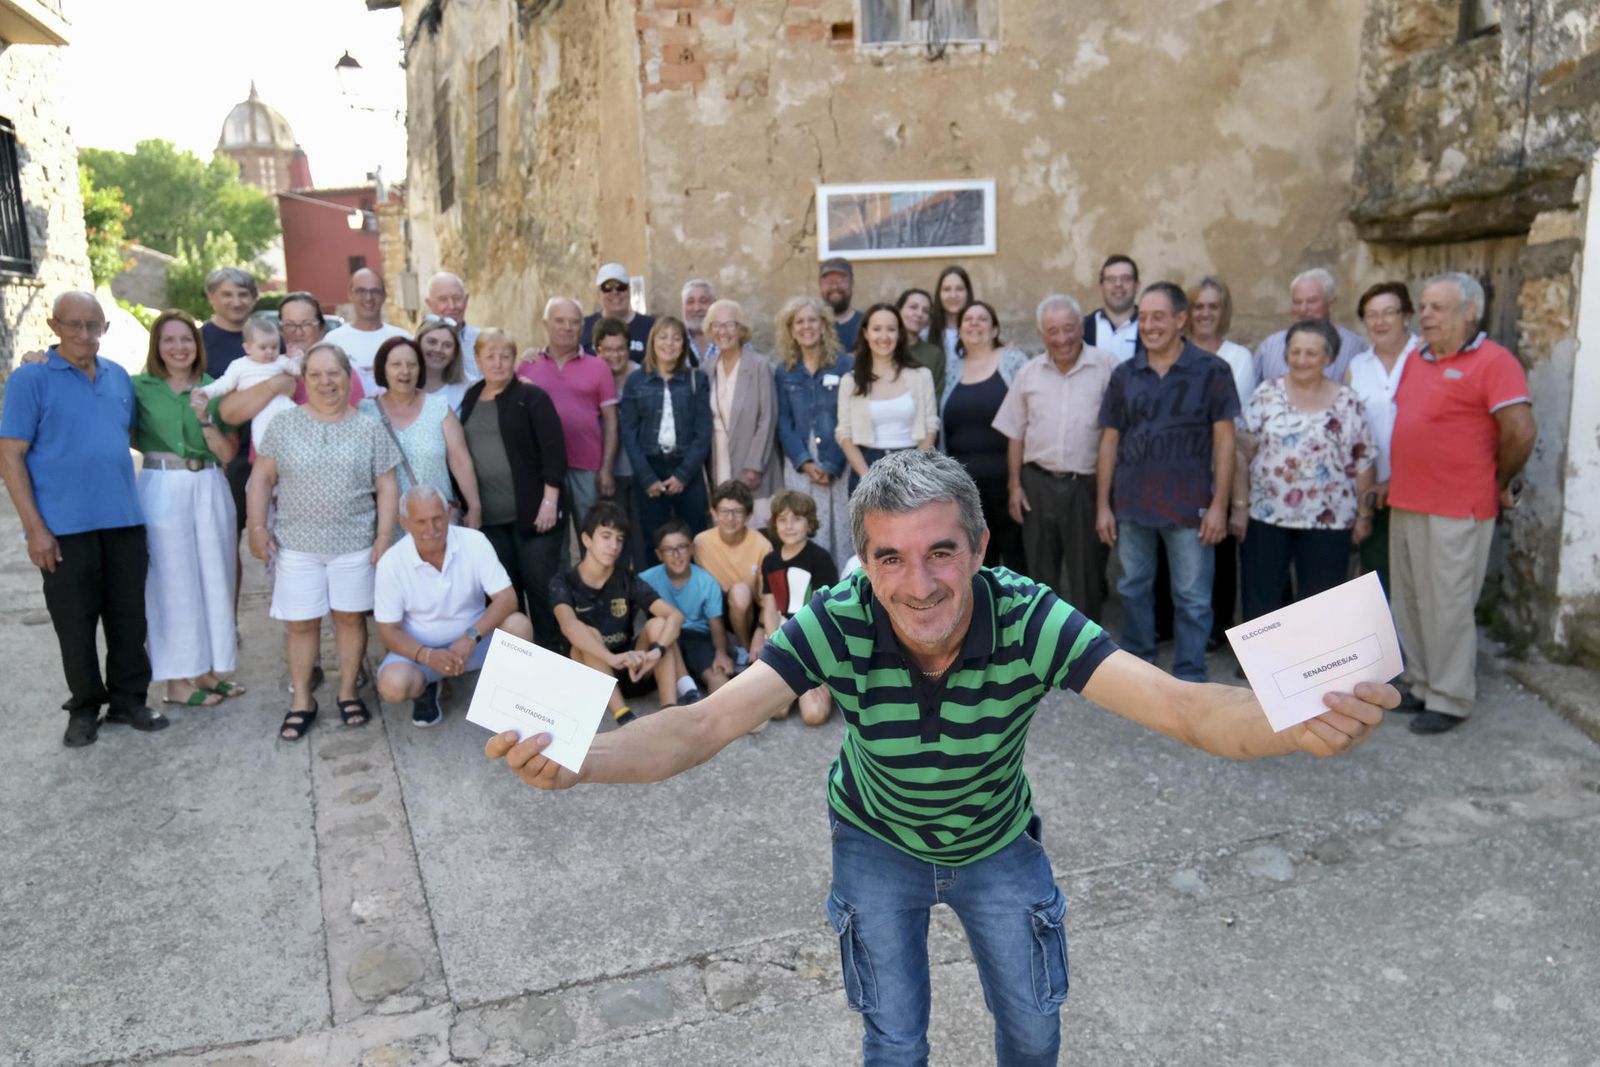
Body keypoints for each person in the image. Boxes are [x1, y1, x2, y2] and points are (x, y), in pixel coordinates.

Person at [485, 448, 1397, 1066]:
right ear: (865, 561)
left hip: (997, 840)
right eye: (889, 558)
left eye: (940, 552)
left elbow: (1186, 708)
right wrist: (583, 760)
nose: (917, 584)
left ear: (982, 547)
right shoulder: (840, 619)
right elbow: (703, 724)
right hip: (874, 841)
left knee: (1035, 1031)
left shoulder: (1027, 615)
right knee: (894, 1038)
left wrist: (1296, 718)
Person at [0, 292, 163, 747]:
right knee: (75, 625)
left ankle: (130, 700)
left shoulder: (118, 379)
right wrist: (35, 529)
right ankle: (85, 708)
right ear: (54, 326)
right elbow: (10, 456)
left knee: (130, 619)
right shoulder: (29, 380)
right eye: (74, 325)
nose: (84, 335)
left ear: (105, 328)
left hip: (124, 520)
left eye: (94, 325)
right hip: (63, 529)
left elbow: (131, 434)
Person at [1387, 272, 1536, 735]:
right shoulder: (1416, 357)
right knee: (1410, 599)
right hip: (1409, 498)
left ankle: (1449, 697)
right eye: (1424, 306)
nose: (1425, 315)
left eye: (1437, 308)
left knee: (1447, 603)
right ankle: (1418, 681)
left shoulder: (1495, 361)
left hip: (1459, 505)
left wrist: (1500, 480)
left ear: (1469, 312)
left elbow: (1521, 431)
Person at [246, 343, 401, 741]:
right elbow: (261, 479)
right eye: (315, 374)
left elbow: (387, 485)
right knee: (301, 625)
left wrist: (383, 536)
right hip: (296, 544)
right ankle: (302, 700)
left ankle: (348, 690)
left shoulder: (368, 426)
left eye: (333, 373)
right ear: (304, 379)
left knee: (349, 619)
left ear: (348, 377)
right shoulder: (284, 424)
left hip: (354, 543)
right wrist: (258, 528)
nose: (325, 382)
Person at [1096, 283, 1239, 683]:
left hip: (1190, 504)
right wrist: (1103, 505)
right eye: (1143, 317)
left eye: (1158, 317)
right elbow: (1109, 440)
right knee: (1133, 587)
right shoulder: (1125, 375)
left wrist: (1219, 505)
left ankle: (1190, 674)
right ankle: (1140, 668)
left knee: (1192, 597)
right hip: (1132, 503)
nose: (1149, 325)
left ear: (1181, 320)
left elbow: (1225, 441)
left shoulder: (1212, 371)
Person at [133, 310, 245, 709]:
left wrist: (205, 420)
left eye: (185, 339)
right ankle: (177, 681)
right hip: (163, 485)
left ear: (197, 346)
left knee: (216, 577)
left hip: (210, 484)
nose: (178, 347)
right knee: (171, 583)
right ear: (157, 347)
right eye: (169, 340)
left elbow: (229, 453)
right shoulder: (137, 387)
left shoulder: (215, 388)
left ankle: (206, 671)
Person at [1231, 319, 1377, 623]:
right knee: (1263, 597)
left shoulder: (1347, 401)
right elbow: (1242, 453)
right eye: (1295, 352)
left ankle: (1319, 667)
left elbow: (1364, 461)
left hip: (1329, 518)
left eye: (1311, 353)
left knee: (1322, 601)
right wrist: (1241, 507)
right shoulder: (1265, 395)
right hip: (1267, 513)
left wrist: (1364, 515)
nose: (1301, 360)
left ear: (1329, 358)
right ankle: (1263, 665)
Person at [993, 294, 1117, 622]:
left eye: (1068, 328)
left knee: (1086, 576)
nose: (1062, 338)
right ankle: (1046, 652)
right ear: (1041, 333)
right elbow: (1015, 433)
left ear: (1081, 327)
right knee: (1041, 576)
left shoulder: (1106, 367)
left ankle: (1091, 656)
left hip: (1085, 487)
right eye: (1053, 331)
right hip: (1037, 484)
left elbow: (1115, 435)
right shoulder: (1029, 373)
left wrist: (1105, 501)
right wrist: (1015, 486)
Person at [374, 484, 534, 727]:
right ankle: (426, 689)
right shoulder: (392, 563)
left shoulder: (474, 541)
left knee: (519, 625)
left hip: (474, 641)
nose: (432, 529)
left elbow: (507, 598)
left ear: (449, 512)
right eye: (421, 522)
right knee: (393, 685)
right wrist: (426, 655)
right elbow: (388, 631)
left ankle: (508, 696)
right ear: (404, 524)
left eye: (438, 518)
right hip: (421, 650)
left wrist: (472, 636)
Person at [460, 330, 568, 650]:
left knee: (541, 588)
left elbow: (555, 451)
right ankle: (517, 663)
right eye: (490, 356)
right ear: (478, 360)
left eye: (505, 356)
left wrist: (550, 501)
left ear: (514, 359)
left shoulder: (531, 396)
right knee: (505, 594)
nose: (497, 362)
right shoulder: (471, 397)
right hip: (491, 521)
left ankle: (555, 655)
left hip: (535, 515)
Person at [551, 501, 686, 726]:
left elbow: (674, 616)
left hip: (632, 668)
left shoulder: (626, 577)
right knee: (585, 635)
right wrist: (610, 657)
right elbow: (568, 626)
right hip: (592, 675)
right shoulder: (564, 581)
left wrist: (656, 651)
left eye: (619, 539)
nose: (614, 545)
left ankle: (669, 713)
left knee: (659, 625)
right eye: (606, 536)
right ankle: (624, 716)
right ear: (586, 539)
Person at [1187, 275, 1258, 646]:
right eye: (1198, 306)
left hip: (1224, 460)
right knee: (1183, 545)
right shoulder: (1177, 352)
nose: (1205, 313)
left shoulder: (1239, 358)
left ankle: (1219, 629)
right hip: (1182, 465)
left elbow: (1237, 418)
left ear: (1223, 310)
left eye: (1213, 306)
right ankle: (1178, 626)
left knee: (1222, 545)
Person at [519, 296, 618, 540]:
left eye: (574, 322)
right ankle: (561, 580)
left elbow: (612, 423)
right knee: (553, 540)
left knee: (593, 535)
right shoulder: (526, 366)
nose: (567, 327)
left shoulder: (599, 367)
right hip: (543, 469)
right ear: (545, 324)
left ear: (582, 328)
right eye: (559, 320)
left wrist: (606, 468)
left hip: (587, 467)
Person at [940, 300, 1028, 569]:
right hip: (964, 486)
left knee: (1016, 559)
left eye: (982, 319)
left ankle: (1019, 612)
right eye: (968, 319)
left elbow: (1029, 414)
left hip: (1009, 480)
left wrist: (1018, 482)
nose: (974, 323)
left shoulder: (1014, 361)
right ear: (960, 329)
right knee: (975, 560)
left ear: (994, 329)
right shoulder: (951, 368)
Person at [1344, 280, 1419, 595]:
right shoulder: (1357, 366)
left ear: (1407, 316)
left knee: (1415, 577)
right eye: (1371, 314)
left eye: (1389, 312)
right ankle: (1386, 644)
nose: (1379, 321)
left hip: (1419, 489)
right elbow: (1347, 430)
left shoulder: (1426, 358)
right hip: (1370, 490)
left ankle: (1414, 645)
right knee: (1376, 576)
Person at [360, 335, 482, 527]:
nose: (405, 371)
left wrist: (474, 508)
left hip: (436, 522)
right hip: (386, 525)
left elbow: (461, 462)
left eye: (412, 364)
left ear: (420, 369)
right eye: (396, 364)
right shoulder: (366, 411)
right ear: (383, 368)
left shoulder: (439, 408)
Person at [773, 295, 854, 565]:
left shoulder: (844, 366)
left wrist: (832, 464)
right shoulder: (784, 371)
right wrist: (804, 462)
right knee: (804, 529)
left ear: (824, 326)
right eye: (799, 322)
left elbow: (850, 415)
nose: (806, 326)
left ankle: (844, 597)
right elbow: (783, 421)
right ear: (791, 330)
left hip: (840, 459)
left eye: (812, 320)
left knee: (843, 532)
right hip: (801, 462)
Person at [619, 316, 713, 539]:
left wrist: (683, 475)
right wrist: (647, 477)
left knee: (695, 536)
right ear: (653, 341)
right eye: (663, 337)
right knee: (654, 539)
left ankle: (694, 575)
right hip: (650, 467)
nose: (669, 343)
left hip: (687, 468)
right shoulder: (636, 380)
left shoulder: (696, 379)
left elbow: (703, 431)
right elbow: (629, 432)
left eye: (676, 338)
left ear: (683, 345)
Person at [750, 489, 837, 726]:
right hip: (783, 637)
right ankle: (790, 687)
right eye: (782, 520)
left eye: (797, 519)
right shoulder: (770, 561)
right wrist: (773, 641)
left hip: (812, 639)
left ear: (809, 524)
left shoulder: (820, 558)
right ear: (774, 524)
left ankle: (810, 684)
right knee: (775, 713)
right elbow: (769, 607)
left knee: (814, 715)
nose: (789, 526)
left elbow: (824, 614)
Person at [837, 303, 939, 490]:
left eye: (891, 329)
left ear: (899, 334)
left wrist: (914, 473)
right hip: (866, 466)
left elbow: (931, 425)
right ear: (866, 333)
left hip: (914, 466)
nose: (884, 337)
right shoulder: (850, 381)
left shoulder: (922, 376)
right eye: (876, 329)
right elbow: (844, 433)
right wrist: (866, 476)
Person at [640, 518, 735, 702]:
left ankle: (735, 709)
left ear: (691, 548)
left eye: (682, 547)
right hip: (664, 637)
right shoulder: (646, 579)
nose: (676, 554)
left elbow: (716, 626)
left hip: (696, 638)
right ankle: (680, 692)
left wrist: (721, 652)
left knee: (716, 675)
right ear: (659, 554)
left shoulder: (706, 582)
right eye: (669, 549)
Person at [703, 298, 780, 516]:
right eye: (716, 325)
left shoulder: (759, 365)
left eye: (729, 324)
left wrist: (755, 464)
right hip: (719, 459)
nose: (723, 331)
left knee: (756, 523)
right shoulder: (706, 369)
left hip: (753, 461)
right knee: (725, 521)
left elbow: (767, 418)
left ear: (741, 329)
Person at [200, 267, 259, 533]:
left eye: (243, 294)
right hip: (223, 455)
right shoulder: (198, 342)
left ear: (254, 298)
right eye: (227, 294)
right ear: (211, 297)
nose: (236, 302)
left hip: (267, 452)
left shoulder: (267, 338)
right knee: (226, 539)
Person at [593, 316, 649, 570]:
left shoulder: (641, 375)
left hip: (640, 471)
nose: (614, 356)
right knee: (613, 542)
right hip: (608, 472)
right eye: (608, 350)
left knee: (641, 540)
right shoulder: (593, 376)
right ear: (597, 350)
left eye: (620, 349)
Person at [693, 480, 773, 660]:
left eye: (737, 512)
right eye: (724, 511)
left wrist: (761, 630)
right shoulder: (701, 542)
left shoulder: (762, 545)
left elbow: (768, 597)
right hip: (715, 611)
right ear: (713, 513)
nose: (730, 518)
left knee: (740, 591)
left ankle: (744, 650)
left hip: (749, 612)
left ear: (749, 515)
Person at [194, 315, 299, 445]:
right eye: (263, 347)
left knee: (298, 428)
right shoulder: (239, 365)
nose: (270, 352)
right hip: (259, 410)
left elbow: (299, 370)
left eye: (274, 347)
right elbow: (224, 384)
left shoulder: (281, 360)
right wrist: (206, 392)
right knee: (262, 438)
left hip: (284, 404)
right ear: (247, 348)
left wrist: (297, 357)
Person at [1252, 268, 1367, 384]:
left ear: (1331, 303)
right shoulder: (1269, 347)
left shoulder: (1354, 347)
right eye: (1297, 302)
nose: (1303, 309)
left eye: (1312, 301)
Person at [323, 269, 410, 395]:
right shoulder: (333, 341)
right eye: (361, 291)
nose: (368, 298)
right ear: (350, 294)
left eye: (375, 291)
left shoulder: (402, 339)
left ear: (384, 295)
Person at [581, 263, 656, 360]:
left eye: (621, 287)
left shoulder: (651, 327)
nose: (615, 292)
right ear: (599, 293)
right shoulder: (584, 327)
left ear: (629, 290)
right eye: (607, 288)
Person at [423, 271, 481, 380]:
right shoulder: (420, 346)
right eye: (443, 299)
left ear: (466, 300)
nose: (452, 306)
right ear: (429, 304)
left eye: (457, 298)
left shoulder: (483, 341)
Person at [1082, 255, 1140, 363]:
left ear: (1137, 285)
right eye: (1111, 279)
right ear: (1101, 287)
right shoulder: (1082, 329)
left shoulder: (1152, 328)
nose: (1118, 284)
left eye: (1126, 279)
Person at [894, 287, 947, 395]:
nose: (919, 314)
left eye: (925, 311)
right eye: (913, 307)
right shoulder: (883, 347)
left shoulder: (934, 355)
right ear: (898, 311)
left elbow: (936, 397)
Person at [415, 318, 472, 413]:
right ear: (417, 344)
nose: (438, 350)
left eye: (447, 345)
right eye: (432, 342)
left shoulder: (468, 388)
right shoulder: (401, 385)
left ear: (455, 352)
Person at [928, 265, 973, 363]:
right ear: (939, 294)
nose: (953, 295)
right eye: (947, 289)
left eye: (959, 289)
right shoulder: (925, 333)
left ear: (968, 293)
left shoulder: (979, 330)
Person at [820, 257, 863, 352]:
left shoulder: (866, 324)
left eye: (841, 281)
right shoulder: (810, 326)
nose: (835, 286)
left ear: (852, 283)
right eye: (828, 282)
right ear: (820, 285)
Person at [681, 278, 716, 365]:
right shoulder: (673, 343)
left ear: (714, 304)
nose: (697, 308)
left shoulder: (732, 339)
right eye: (690, 302)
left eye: (703, 301)